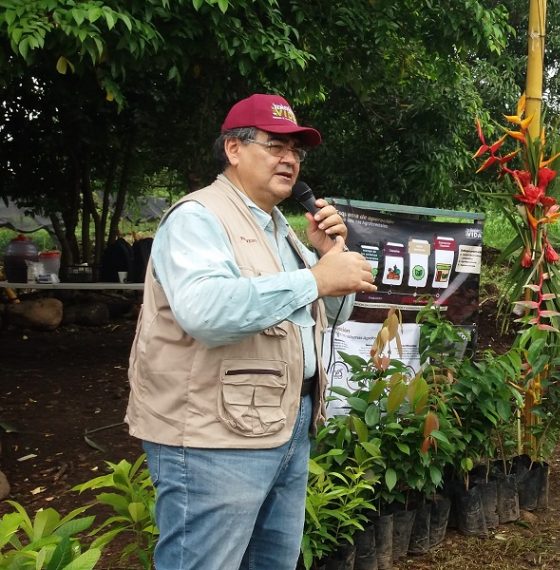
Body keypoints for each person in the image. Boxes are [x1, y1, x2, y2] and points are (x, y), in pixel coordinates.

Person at [125, 93, 377, 568]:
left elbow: (333, 315)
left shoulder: (278, 227)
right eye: (275, 145)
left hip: (285, 425)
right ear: (233, 150)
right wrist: (315, 278)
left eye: (296, 151)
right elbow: (205, 312)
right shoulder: (198, 218)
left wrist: (327, 260)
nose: (289, 159)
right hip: (212, 439)